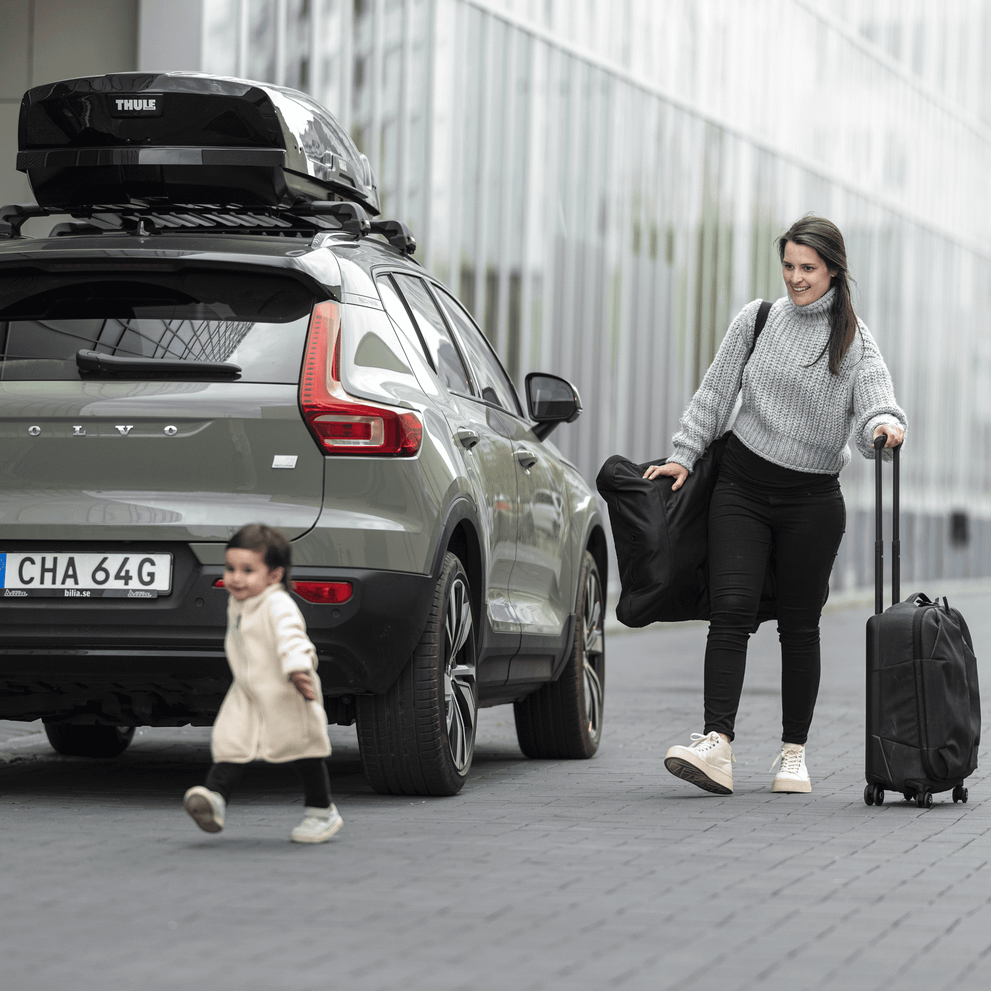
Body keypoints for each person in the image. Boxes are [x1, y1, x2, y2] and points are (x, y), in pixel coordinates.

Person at [645, 215, 906, 796]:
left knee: (799, 626)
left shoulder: (856, 341)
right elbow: (715, 391)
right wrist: (684, 454)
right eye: (788, 265)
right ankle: (717, 743)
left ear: (833, 270)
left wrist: (884, 427)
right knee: (731, 610)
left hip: (811, 502)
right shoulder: (758, 319)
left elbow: (875, 407)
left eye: (807, 268)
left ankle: (793, 754)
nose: (794, 278)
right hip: (740, 486)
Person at [183, 524, 342, 842]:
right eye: (230, 568)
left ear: (273, 576)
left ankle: (322, 812)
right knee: (231, 743)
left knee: (303, 749)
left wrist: (298, 669)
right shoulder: (240, 601)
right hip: (247, 690)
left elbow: (293, 637)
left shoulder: (278, 604)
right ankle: (215, 797)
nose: (235, 578)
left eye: (247, 570)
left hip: (287, 688)